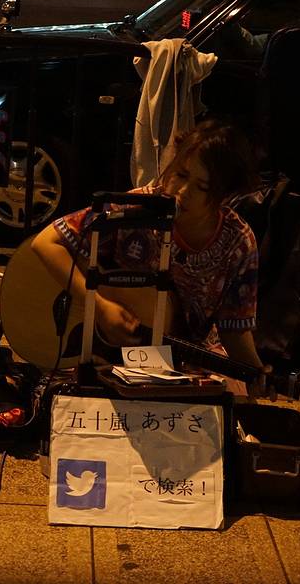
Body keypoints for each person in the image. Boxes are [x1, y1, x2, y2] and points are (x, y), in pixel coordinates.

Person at [31, 119, 268, 395]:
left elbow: (234, 329)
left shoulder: (238, 241)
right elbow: (46, 242)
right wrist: (99, 305)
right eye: (181, 175)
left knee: (230, 400)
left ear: (224, 195)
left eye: (202, 187)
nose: (182, 191)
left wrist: (256, 372)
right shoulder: (136, 208)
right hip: (110, 359)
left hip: (189, 360)